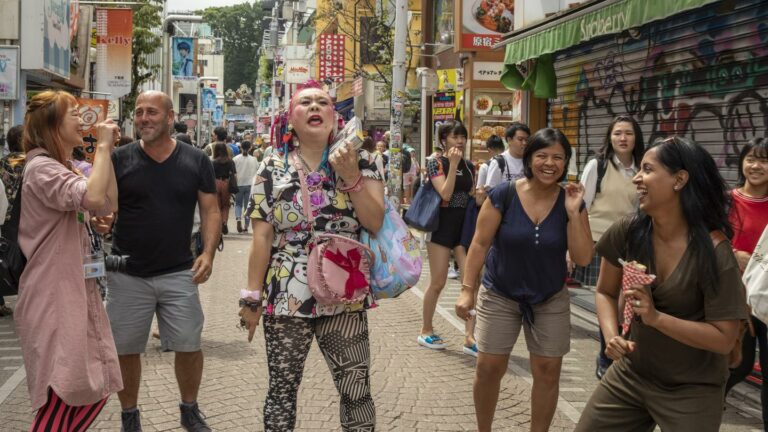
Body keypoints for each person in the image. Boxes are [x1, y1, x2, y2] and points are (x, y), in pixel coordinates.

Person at [575, 136, 747, 431]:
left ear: (679, 179)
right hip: (632, 373)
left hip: (693, 388)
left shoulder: (715, 252)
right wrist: (612, 334)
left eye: (648, 170)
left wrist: (655, 318)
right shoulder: (628, 230)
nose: (637, 179)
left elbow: (724, 339)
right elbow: (604, 291)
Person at [241, 81, 383, 430]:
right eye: (306, 102)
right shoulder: (271, 167)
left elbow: (375, 222)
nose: (316, 107)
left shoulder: (362, 160)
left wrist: (351, 177)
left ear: (335, 116)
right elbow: (262, 238)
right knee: (282, 390)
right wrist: (251, 297)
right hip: (287, 293)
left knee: (356, 390)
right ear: (291, 118)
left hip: (345, 292)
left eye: (324, 102)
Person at [456, 128, 593, 432]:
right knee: (489, 366)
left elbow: (583, 257)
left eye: (558, 157)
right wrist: (467, 290)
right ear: (529, 158)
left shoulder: (571, 201)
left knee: (547, 370)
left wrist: (573, 213)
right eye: (542, 155)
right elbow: (479, 244)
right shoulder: (504, 193)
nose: (549, 163)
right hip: (500, 292)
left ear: (567, 162)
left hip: (549, 296)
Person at [105, 91, 220, 432]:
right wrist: (101, 218)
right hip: (126, 272)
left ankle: (189, 409)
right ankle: (130, 415)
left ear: (170, 118)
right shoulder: (119, 159)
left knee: (189, 344)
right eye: (139, 112)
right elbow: (105, 205)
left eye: (152, 112)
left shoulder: (196, 160)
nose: (144, 118)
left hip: (178, 271)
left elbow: (211, 209)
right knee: (125, 349)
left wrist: (208, 253)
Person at [16, 90, 123, 430]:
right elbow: (93, 197)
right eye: (73, 113)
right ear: (52, 126)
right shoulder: (42, 168)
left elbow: (106, 202)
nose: (82, 118)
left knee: (97, 381)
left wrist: (107, 153)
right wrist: (102, 148)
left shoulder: (68, 166)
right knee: (63, 389)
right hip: (53, 295)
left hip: (75, 289)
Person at [577, 115, 645, 379]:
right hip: (600, 240)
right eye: (617, 133)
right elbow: (582, 204)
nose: (623, 138)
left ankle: (612, 347)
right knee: (607, 295)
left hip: (631, 243)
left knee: (623, 300)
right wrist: (576, 244)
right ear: (609, 137)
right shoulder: (598, 165)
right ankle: (606, 350)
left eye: (628, 133)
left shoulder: (643, 167)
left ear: (636, 137)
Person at [418, 121, 477, 355]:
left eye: (463, 136)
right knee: (438, 281)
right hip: (441, 227)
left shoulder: (471, 165)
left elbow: (469, 194)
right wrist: (452, 165)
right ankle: (425, 329)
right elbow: (445, 193)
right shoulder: (435, 163)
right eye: (455, 137)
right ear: (444, 140)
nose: (460, 141)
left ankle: (470, 337)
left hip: (463, 229)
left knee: (471, 283)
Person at [725, 137, 768, 429]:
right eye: (751, 158)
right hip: (732, 294)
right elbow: (704, 239)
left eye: (764, 160)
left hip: (765, 297)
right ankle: (703, 401)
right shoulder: (726, 200)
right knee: (737, 365)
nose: (756, 166)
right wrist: (732, 253)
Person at [0, 124, 24, 316]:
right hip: (28, 215)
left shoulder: (2, 162)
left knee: (6, 256)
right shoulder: (32, 162)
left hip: (6, 216)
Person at [484, 122, 530, 190]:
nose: (524, 143)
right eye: (520, 139)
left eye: (526, 140)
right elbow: (491, 192)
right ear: (509, 140)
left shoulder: (530, 161)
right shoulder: (498, 162)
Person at [233, 140, 259, 233]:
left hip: (238, 185)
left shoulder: (235, 159)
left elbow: (233, 173)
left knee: (238, 204)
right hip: (250, 185)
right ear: (250, 148)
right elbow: (257, 172)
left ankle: (238, 219)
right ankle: (246, 226)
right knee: (247, 206)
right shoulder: (254, 159)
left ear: (240, 147)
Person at [213, 142, 236, 235]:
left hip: (215, 183)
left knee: (217, 206)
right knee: (226, 206)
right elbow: (234, 175)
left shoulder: (213, 162)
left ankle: (218, 225)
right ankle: (224, 222)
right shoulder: (230, 161)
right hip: (226, 183)